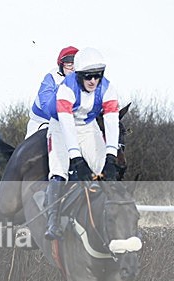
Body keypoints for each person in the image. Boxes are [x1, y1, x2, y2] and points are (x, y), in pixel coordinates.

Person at [44, 47, 121, 240]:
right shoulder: (66, 89)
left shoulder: (108, 88)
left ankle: (118, 218)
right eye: (88, 77)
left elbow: (111, 123)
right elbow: (68, 127)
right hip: (61, 126)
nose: (93, 81)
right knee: (59, 169)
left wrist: (111, 157)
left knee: (103, 169)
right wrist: (77, 158)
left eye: (97, 76)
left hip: (87, 125)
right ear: (78, 76)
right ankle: (53, 221)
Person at [26, 46, 78, 138]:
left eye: (76, 65)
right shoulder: (52, 78)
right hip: (43, 121)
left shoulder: (84, 79)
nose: (73, 69)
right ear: (61, 66)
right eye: (69, 65)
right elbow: (47, 104)